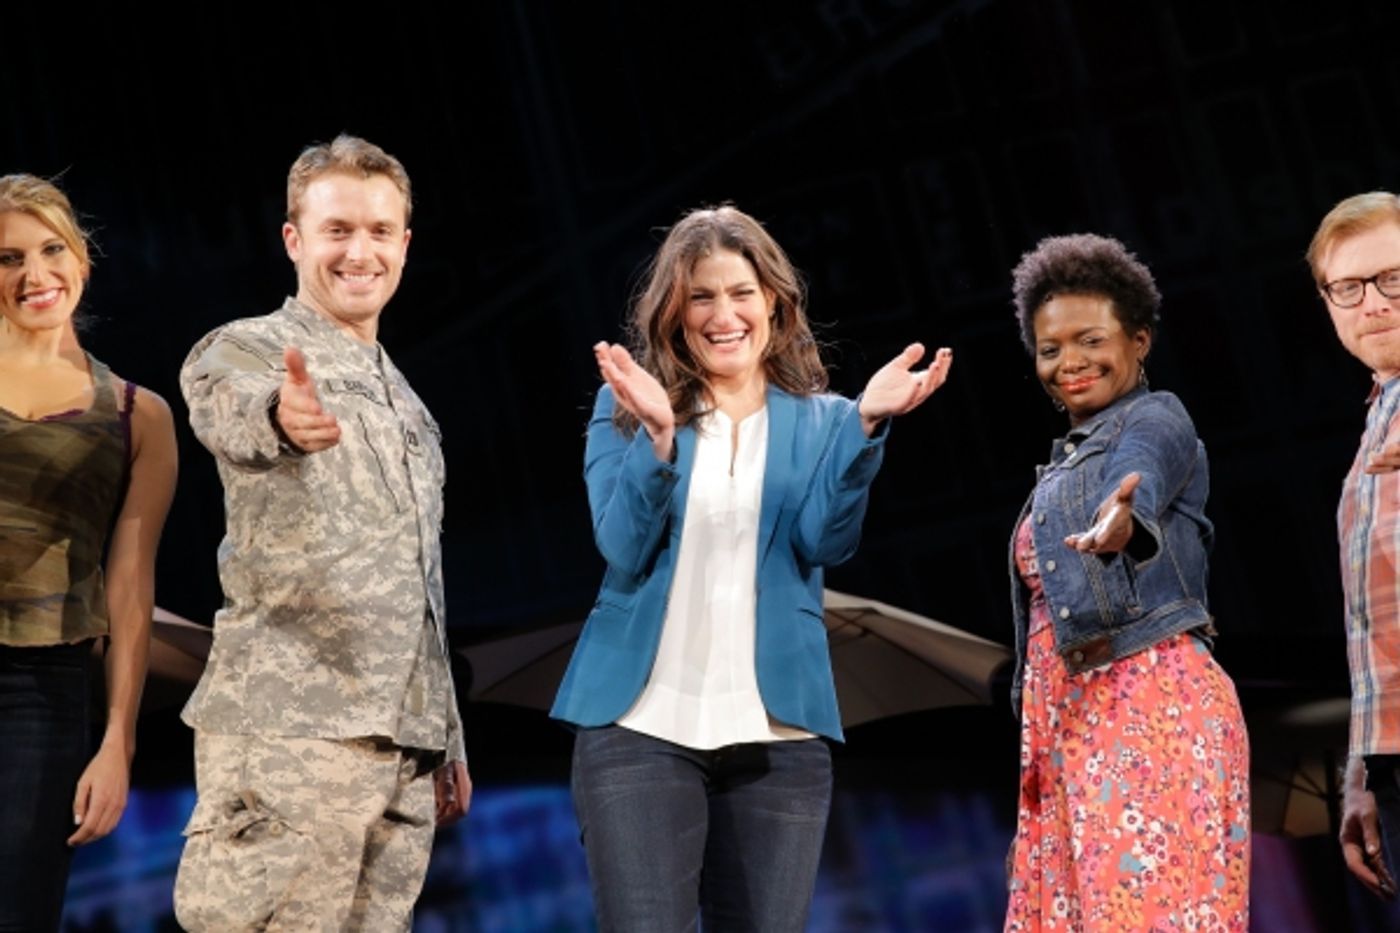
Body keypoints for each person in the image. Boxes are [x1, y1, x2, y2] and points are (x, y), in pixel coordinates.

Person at [550, 204, 953, 931]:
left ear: (773, 299)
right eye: (701, 295)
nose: (723, 313)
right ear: (676, 311)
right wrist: (660, 438)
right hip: (639, 725)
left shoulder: (827, 418)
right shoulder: (627, 404)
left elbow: (826, 540)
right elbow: (621, 544)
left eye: (740, 292)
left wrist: (865, 425)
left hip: (778, 736)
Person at [173, 135, 469, 932]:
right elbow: (226, 404)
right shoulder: (246, 348)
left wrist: (448, 732)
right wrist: (281, 414)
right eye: (337, 229)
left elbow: (422, 579)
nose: (360, 251)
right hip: (289, 732)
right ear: (295, 240)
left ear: (405, 245)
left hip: (401, 748)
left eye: (379, 231)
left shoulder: (408, 400)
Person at [1002, 234, 1250, 931]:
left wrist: (1126, 516)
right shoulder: (1058, 467)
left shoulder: (1155, 416)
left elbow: (1142, 468)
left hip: (1148, 704)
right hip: (1068, 720)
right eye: (1050, 349)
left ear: (1139, 340)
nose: (1069, 362)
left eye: (1091, 339)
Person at [0, 174, 178, 931]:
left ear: (82, 261)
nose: (34, 275)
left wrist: (118, 740)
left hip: (44, 690)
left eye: (50, 250)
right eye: (7, 258)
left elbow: (130, 588)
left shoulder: (140, 415)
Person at [1308, 191, 1400, 902]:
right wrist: (1362, 775)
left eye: (1394, 278)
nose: (1373, 302)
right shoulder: (1376, 417)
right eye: (1349, 286)